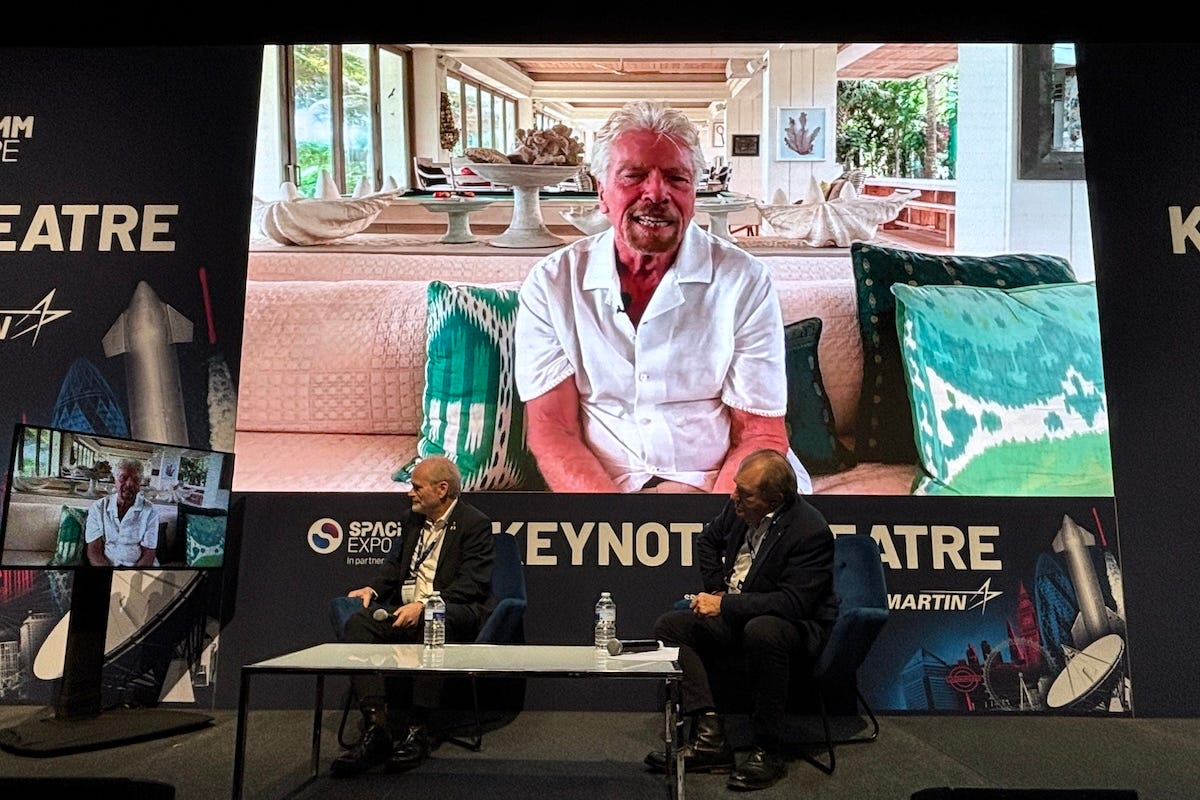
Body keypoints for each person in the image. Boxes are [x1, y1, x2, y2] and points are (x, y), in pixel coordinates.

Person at [514, 99, 812, 495]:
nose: (656, 192)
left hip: (720, 486)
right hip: (605, 491)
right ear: (602, 193)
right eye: (634, 175)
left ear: (694, 194)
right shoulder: (553, 283)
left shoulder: (744, 280)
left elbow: (759, 433)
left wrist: (719, 522)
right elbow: (554, 429)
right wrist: (611, 523)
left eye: (676, 178)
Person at [643, 448, 837, 791]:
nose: (733, 497)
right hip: (742, 614)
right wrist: (717, 589)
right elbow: (707, 541)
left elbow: (794, 603)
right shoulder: (740, 509)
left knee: (762, 630)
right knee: (670, 627)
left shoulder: (810, 531)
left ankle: (768, 749)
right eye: (736, 487)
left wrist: (726, 605)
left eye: (744, 493)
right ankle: (710, 738)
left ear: (774, 499)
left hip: (794, 627)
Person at [331, 455, 494, 777]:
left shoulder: (474, 523)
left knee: (432, 620)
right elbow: (394, 567)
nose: (410, 493)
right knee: (359, 623)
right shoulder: (412, 520)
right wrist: (373, 589)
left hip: (450, 610)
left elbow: (472, 584)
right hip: (406, 609)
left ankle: (418, 730)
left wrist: (425, 604)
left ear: (442, 489)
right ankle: (378, 727)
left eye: (417, 487)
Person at [84, 458, 159, 567]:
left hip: (138, 568)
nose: (129, 483)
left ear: (140, 483)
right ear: (115, 480)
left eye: (135, 479)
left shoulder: (150, 510)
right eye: (123, 478)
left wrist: (134, 575)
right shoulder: (98, 507)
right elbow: (94, 550)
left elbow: (149, 553)